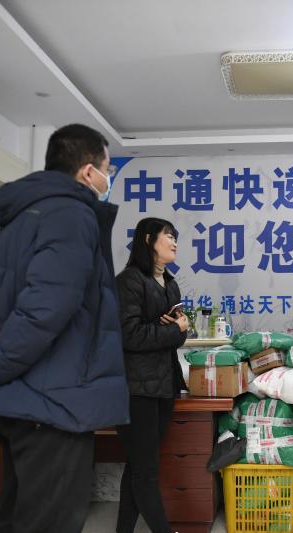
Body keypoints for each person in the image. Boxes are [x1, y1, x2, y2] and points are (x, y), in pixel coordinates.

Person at [0, 124, 130, 533]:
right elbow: (46, 309)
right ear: (88, 172)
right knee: (50, 522)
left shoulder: (17, 221)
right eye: (107, 169)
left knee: (17, 517)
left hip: (17, 402)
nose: (108, 178)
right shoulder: (72, 215)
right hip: (54, 406)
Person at [115, 217, 189, 533]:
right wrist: (173, 330)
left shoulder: (170, 284)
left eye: (175, 237)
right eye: (168, 236)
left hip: (163, 386)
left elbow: (177, 336)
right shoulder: (129, 282)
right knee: (145, 472)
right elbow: (128, 335)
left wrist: (179, 328)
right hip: (135, 389)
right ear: (148, 240)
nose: (174, 242)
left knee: (137, 466)